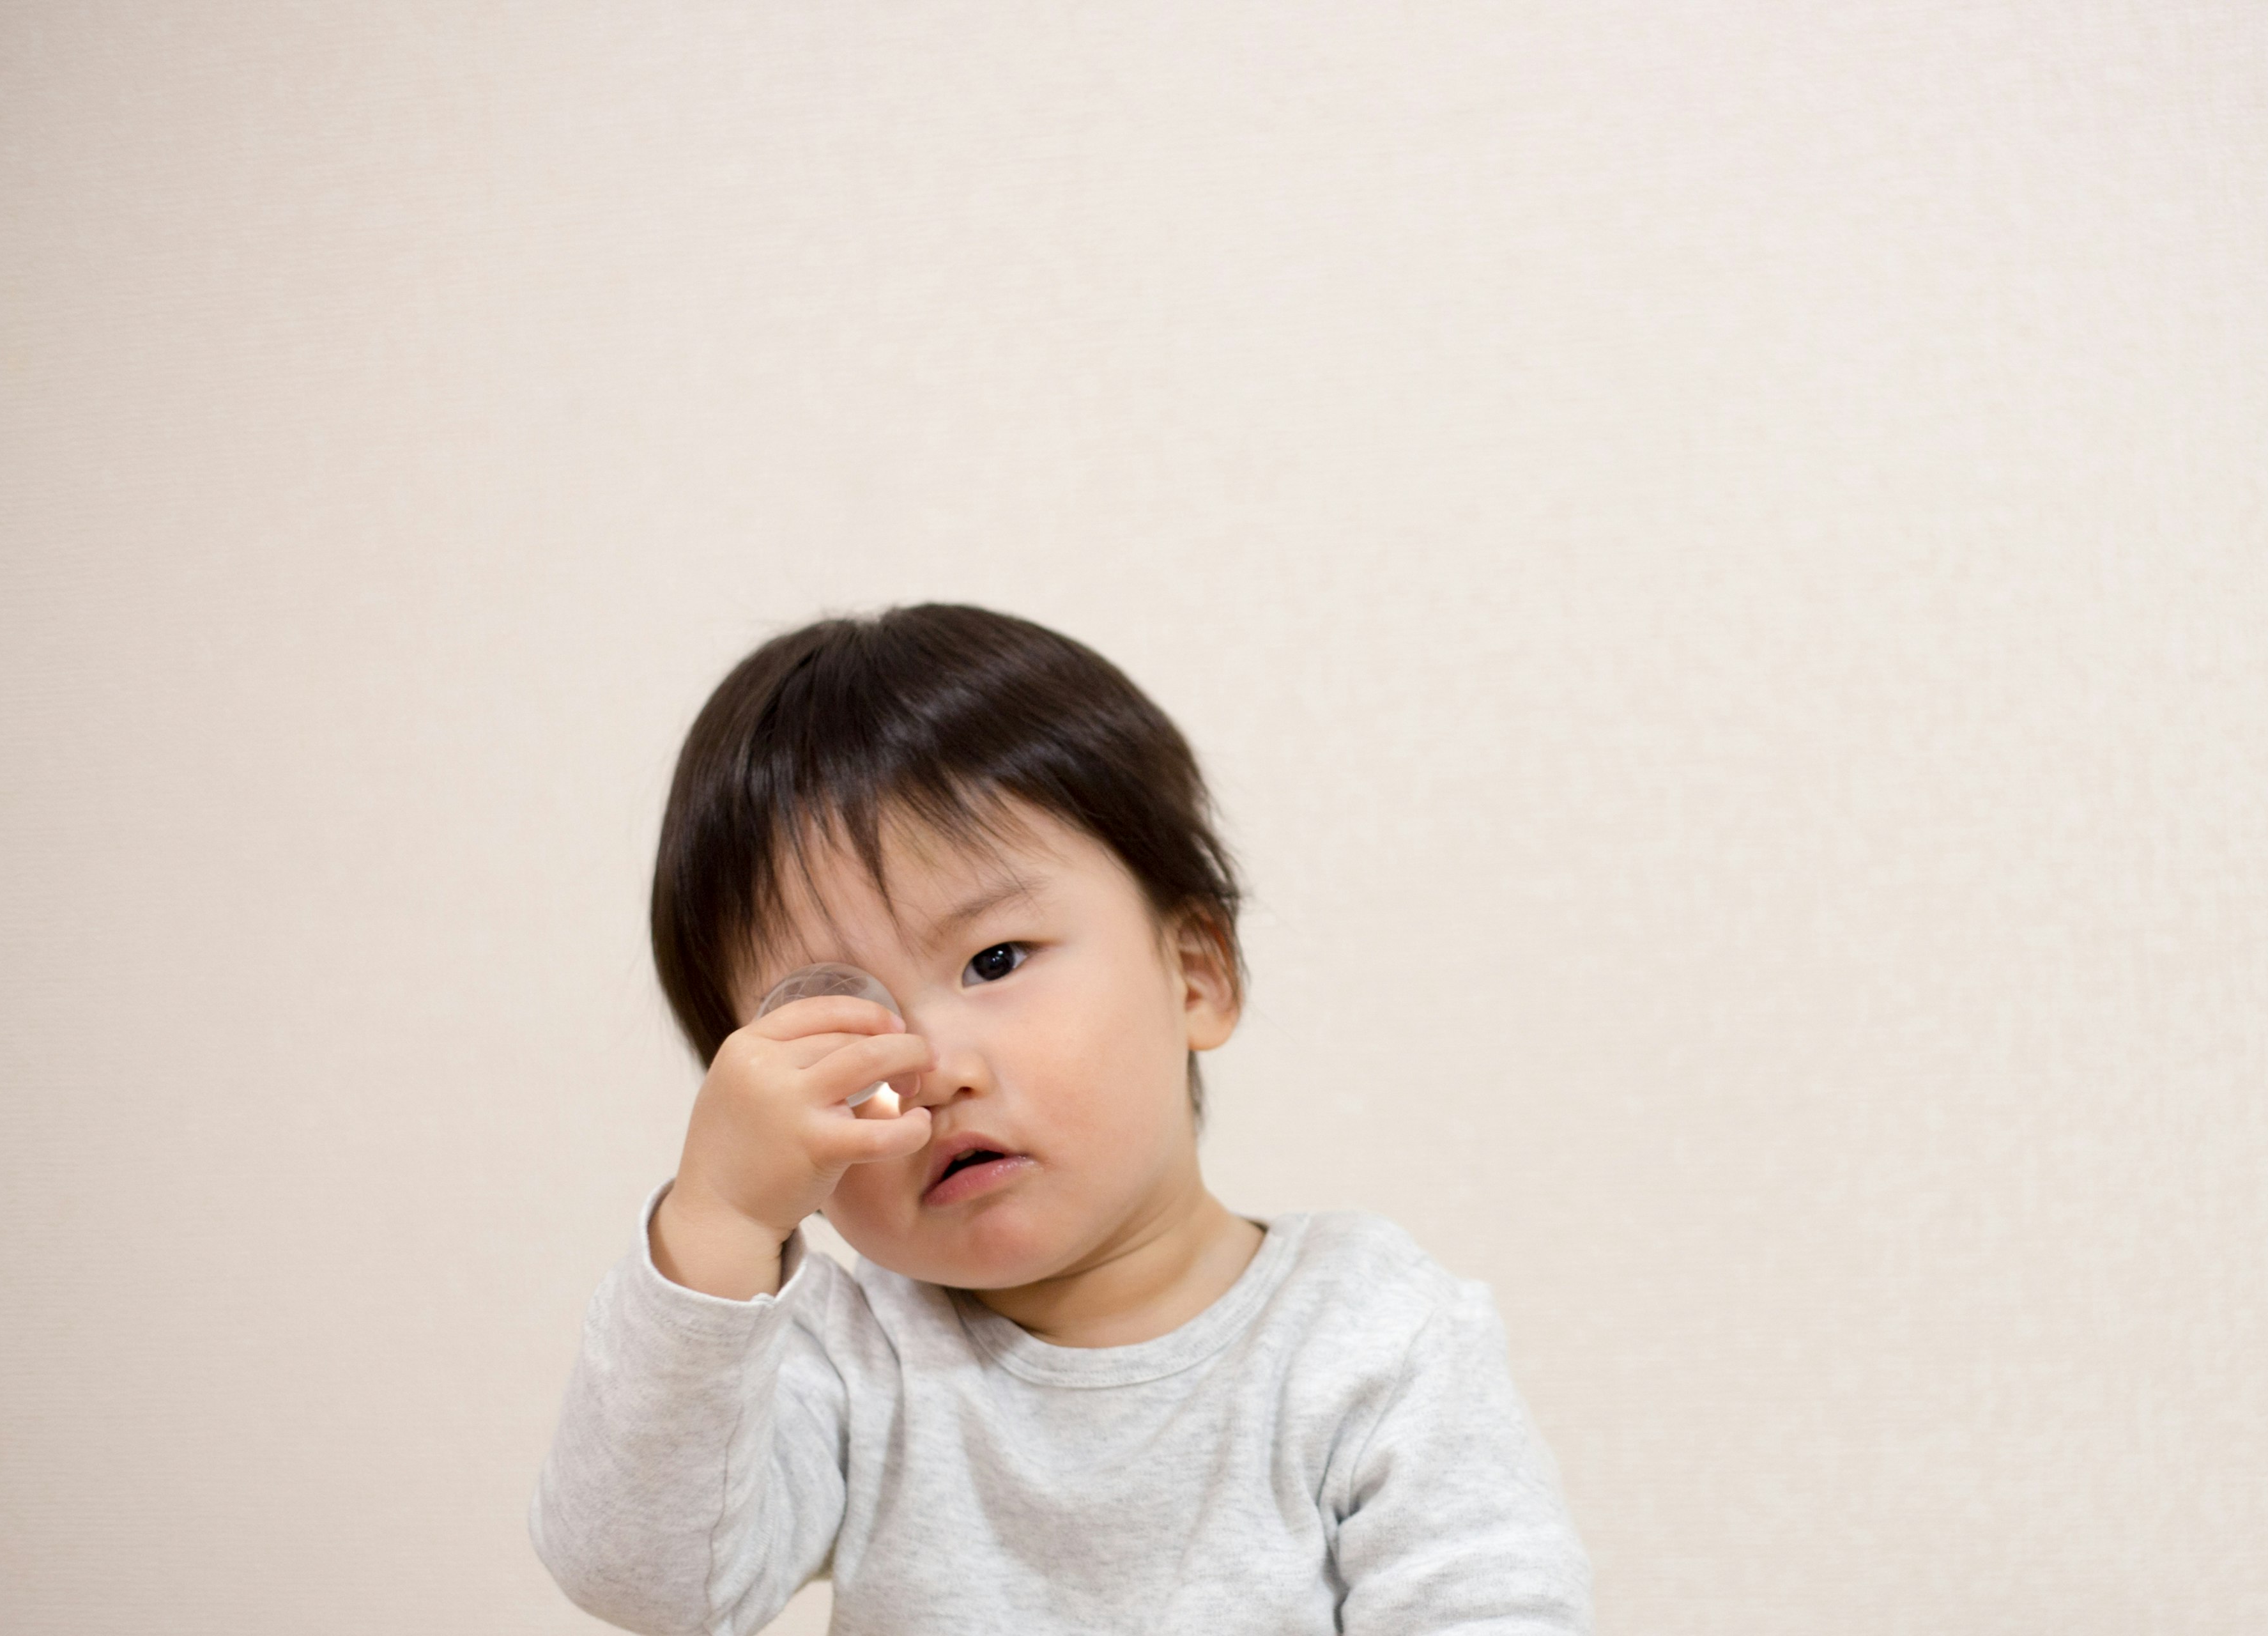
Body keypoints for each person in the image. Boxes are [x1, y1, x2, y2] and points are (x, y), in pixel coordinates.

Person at [531, 603, 1591, 1634]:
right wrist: (719, 1220)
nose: (931, 1067)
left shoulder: (1371, 1338)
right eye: (838, 1023)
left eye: (995, 961)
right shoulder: (856, 1357)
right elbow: (647, 1581)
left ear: (1195, 974)